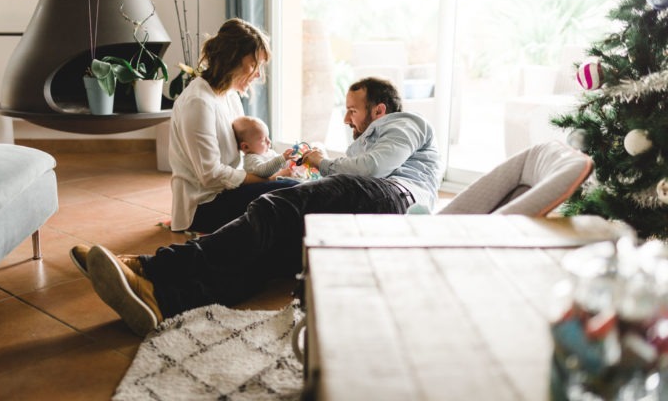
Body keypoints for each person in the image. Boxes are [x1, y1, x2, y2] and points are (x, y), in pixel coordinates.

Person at [71, 77, 444, 336]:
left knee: (273, 206)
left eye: (353, 110)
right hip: (373, 205)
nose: (347, 118)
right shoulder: (368, 141)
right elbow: (360, 171)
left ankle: (149, 266)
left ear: (379, 110)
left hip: (394, 199)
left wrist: (321, 163)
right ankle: (162, 299)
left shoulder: (404, 122)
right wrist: (323, 166)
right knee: (267, 252)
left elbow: (373, 171)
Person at [168, 18, 298, 234]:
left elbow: (249, 149)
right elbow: (210, 176)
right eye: (255, 64)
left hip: (227, 192)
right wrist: (272, 177)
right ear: (233, 58)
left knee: (301, 190)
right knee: (293, 193)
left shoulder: (229, 95)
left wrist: (282, 163)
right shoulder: (198, 102)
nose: (258, 74)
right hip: (203, 206)